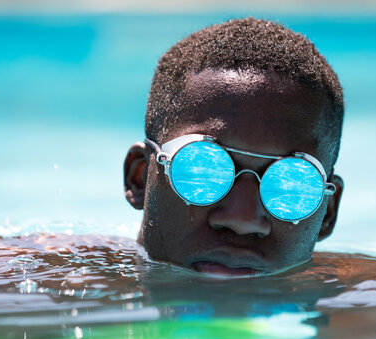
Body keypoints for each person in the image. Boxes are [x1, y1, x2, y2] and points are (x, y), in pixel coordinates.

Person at [124, 17, 346, 277]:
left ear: (327, 214)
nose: (242, 221)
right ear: (139, 178)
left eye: (290, 185)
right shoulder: (70, 288)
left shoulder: (372, 303)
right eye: (203, 169)